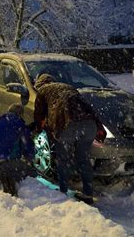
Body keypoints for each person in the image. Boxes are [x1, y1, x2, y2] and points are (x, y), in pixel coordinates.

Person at [33, 74, 106, 204]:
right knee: (83, 159)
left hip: (68, 123)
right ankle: (88, 194)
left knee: (63, 159)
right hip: (90, 124)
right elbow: (85, 107)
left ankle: (63, 191)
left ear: (40, 85)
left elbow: (39, 115)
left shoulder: (44, 90)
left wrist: (38, 130)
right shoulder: (69, 88)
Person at [0, 103, 36, 196]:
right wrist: (29, 159)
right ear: (20, 114)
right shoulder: (19, 124)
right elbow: (28, 146)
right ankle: (10, 193)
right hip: (0, 164)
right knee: (19, 168)